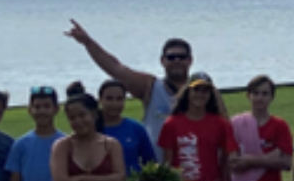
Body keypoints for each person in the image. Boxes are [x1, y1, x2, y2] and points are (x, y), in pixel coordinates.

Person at [64, 21, 195, 124]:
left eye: (182, 57)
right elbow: (116, 68)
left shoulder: (202, 91)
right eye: (171, 57)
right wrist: (87, 42)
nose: (177, 61)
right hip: (157, 158)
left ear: (190, 60)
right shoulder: (151, 87)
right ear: (162, 61)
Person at [228, 74, 294, 181]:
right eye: (256, 93)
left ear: (272, 97)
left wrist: (249, 160)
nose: (260, 98)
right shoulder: (237, 124)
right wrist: (269, 158)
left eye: (265, 93)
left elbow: (286, 162)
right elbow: (233, 162)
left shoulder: (279, 126)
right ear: (248, 95)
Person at [95, 79, 158, 181]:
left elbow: (151, 164)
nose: (114, 104)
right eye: (109, 99)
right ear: (100, 100)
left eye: (119, 99)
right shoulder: (91, 129)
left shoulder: (136, 128)